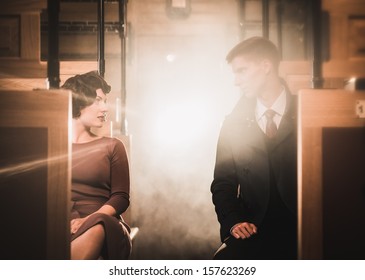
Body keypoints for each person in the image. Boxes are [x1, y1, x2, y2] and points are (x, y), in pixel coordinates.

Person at [211, 37, 297, 259]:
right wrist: (234, 222)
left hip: (304, 229)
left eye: (242, 71)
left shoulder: (309, 114)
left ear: (266, 66)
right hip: (254, 232)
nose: (236, 81)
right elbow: (222, 185)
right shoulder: (233, 122)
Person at [61, 71, 132, 259]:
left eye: (105, 101)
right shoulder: (51, 147)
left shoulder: (112, 146)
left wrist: (89, 219)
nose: (105, 108)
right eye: (98, 100)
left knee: (98, 226)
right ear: (78, 101)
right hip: (61, 221)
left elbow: (121, 197)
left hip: (103, 221)